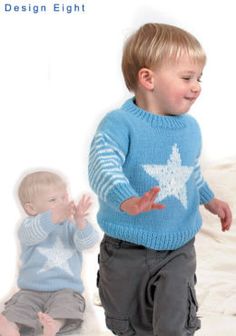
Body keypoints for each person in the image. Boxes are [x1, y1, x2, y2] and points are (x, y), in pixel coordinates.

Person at [88, 23, 232, 336]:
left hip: (179, 246)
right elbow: (103, 164)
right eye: (186, 77)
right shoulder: (119, 123)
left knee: (174, 323)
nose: (196, 87)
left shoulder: (189, 128)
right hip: (125, 247)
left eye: (199, 78)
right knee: (127, 322)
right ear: (148, 78)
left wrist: (210, 199)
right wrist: (128, 199)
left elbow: (188, 171)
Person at [0, 170, 99, 336]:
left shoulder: (71, 226)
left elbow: (88, 244)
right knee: (19, 308)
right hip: (30, 291)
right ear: (31, 208)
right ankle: (10, 327)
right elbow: (32, 234)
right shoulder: (28, 226)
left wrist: (81, 221)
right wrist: (54, 216)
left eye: (64, 197)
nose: (61, 203)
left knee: (68, 306)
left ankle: (53, 326)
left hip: (66, 290)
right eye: (53, 200)